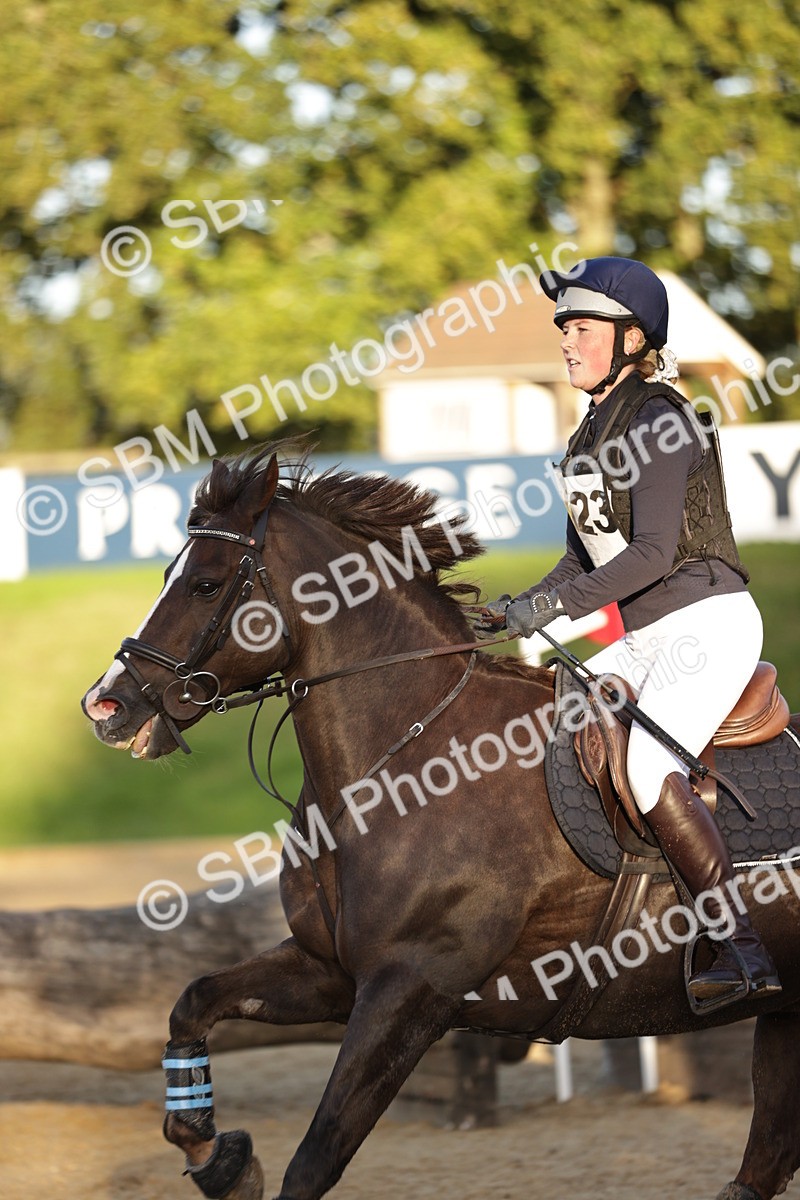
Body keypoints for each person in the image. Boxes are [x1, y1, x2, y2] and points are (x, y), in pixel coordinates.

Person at [478, 256, 780, 1007]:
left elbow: (649, 556)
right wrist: (512, 606)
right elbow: (581, 558)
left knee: (647, 768)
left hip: (706, 625)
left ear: (632, 336)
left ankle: (738, 945)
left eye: (580, 328)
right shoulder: (590, 434)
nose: (567, 342)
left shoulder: (661, 418)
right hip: (647, 634)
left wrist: (555, 610)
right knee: (541, 724)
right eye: (564, 330)